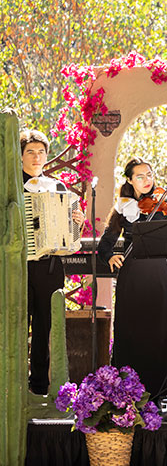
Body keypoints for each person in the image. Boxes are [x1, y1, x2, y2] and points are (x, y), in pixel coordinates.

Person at [95, 158, 167, 404]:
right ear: (129, 180)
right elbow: (104, 245)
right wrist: (110, 256)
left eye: (149, 174)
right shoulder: (123, 207)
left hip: (159, 273)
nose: (147, 180)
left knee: (157, 333)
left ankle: (157, 392)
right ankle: (127, 391)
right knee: (131, 332)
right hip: (133, 275)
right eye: (140, 176)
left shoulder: (164, 204)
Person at [20, 129, 84, 395]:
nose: (37, 157)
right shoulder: (11, 185)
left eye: (41, 152)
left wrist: (77, 224)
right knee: (17, 324)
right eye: (30, 152)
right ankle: (14, 385)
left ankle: (39, 387)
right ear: (20, 155)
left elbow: (70, 236)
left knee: (45, 326)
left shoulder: (57, 187)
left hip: (49, 265)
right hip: (19, 267)